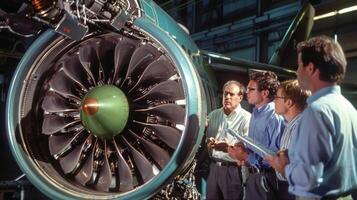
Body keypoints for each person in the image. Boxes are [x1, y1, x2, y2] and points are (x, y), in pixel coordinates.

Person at [268, 36, 357, 200]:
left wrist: (284, 167)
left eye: (300, 65)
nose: (297, 71)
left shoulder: (316, 112)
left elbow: (309, 178)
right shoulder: (348, 108)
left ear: (310, 68)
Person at [228, 71, 285, 200]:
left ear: (264, 93)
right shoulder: (255, 113)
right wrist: (242, 147)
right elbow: (256, 147)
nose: (246, 92)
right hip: (253, 177)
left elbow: (275, 158)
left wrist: (246, 156)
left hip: (267, 180)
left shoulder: (274, 117)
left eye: (251, 89)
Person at [205, 80, 251, 200]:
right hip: (213, 168)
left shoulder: (246, 119)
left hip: (233, 171)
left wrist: (226, 147)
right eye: (225, 94)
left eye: (231, 94)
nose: (227, 97)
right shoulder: (213, 115)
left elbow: (246, 151)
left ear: (240, 97)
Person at [265, 79, 310, 200]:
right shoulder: (289, 125)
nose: (273, 101)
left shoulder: (303, 128)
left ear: (289, 102)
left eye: (277, 97)